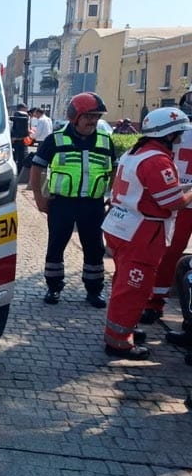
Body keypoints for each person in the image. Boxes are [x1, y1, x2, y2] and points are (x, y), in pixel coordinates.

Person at [100, 107, 192, 359]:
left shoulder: (136, 152)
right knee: (134, 286)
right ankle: (119, 342)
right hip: (143, 232)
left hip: (123, 226)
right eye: (178, 134)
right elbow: (173, 202)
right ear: (168, 134)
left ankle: (123, 328)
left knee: (124, 282)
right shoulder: (158, 160)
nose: (180, 138)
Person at [29, 92, 116, 308]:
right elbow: (37, 168)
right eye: (88, 116)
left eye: (96, 116)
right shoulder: (55, 140)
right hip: (62, 203)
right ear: (75, 116)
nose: (93, 121)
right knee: (57, 244)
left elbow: (115, 171)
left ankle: (94, 290)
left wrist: (113, 196)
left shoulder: (106, 142)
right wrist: (39, 197)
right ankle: (54, 287)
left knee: (94, 248)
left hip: (93, 204)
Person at [141, 89, 192, 326]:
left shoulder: (174, 132)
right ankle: (156, 302)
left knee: (169, 255)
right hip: (179, 201)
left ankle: (155, 303)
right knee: (169, 254)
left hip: (178, 200)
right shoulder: (175, 132)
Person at [10, 103, 30, 174]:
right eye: (25, 108)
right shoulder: (18, 115)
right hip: (16, 140)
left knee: (19, 157)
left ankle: (18, 171)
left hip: (20, 139)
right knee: (17, 157)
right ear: (21, 108)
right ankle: (17, 171)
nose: (26, 110)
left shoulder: (21, 117)